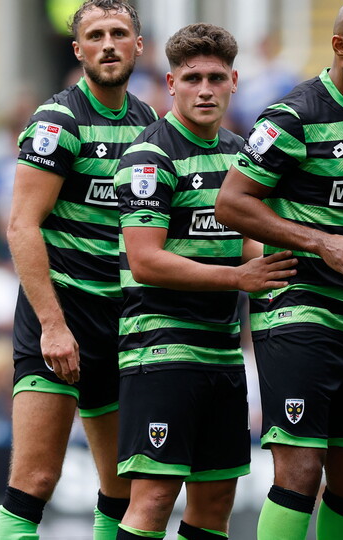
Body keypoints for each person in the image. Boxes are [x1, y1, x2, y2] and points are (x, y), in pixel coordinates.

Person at [213, 1, 343, 538]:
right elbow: (232, 202)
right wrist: (322, 243)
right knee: (300, 468)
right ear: (340, 47)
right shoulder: (292, 115)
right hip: (297, 310)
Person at [112, 23, 297, 540]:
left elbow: (253, 244)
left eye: (216, 77)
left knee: (215, 503)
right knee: (151, 501)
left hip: (221, 353)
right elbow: (146, 261)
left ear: (235, 81)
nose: (205, 89)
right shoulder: (150, 155)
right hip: (161, 348)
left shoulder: (243, 156)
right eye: (192, 78)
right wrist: (240, 277)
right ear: (171, 84)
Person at [0, 2, 157, 539]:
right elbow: (22, 226)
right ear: (78, 50)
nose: (108, 44)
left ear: (138, 44)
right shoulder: (58, 119)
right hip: (59, 315)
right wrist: (54, 325)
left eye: (118, 33)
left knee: (123, 488)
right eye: (95, 35)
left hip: (121, 321)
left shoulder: (148, 122)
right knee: (35, 479)